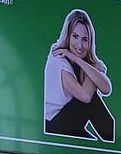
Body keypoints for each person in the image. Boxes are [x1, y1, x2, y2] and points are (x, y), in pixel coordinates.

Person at [43, 8, 114, 141]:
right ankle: (113, 139)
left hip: (70, 122)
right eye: (75, 36)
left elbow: (107, 89)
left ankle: (114, 142)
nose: (80, 45)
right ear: (68, 35)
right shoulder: (58, 57)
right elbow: (85, 97)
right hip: (52, 125)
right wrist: (92, 69)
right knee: (91, 97)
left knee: (95, 146)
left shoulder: (78, 60)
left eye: (85, 39)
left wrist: (77, 60)